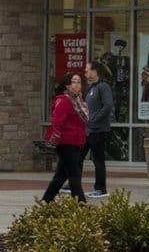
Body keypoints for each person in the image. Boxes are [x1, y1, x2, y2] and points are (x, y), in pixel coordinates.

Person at [41, 72, 89, 203]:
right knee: (75, 174)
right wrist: (56, 138)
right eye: (74, 82)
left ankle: (46, 200)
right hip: (66, 142)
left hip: (77, 142)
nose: (77, 85)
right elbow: (57, 121)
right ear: (67, 85)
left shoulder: (79, 102)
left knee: (61, 176)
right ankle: (81, 205)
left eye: (79, 82)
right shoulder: (63, 100)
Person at [81, 62, 114, 198]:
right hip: (88, 130)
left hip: (99, 131)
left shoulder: (103, 86)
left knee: (98, 160)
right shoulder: (89, 88)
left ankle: (100, 188)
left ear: (95, 72)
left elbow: (108, 106)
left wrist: (94, 120)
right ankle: (72, 182)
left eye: (88, 70)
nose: (86, 73)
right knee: (77, 157)